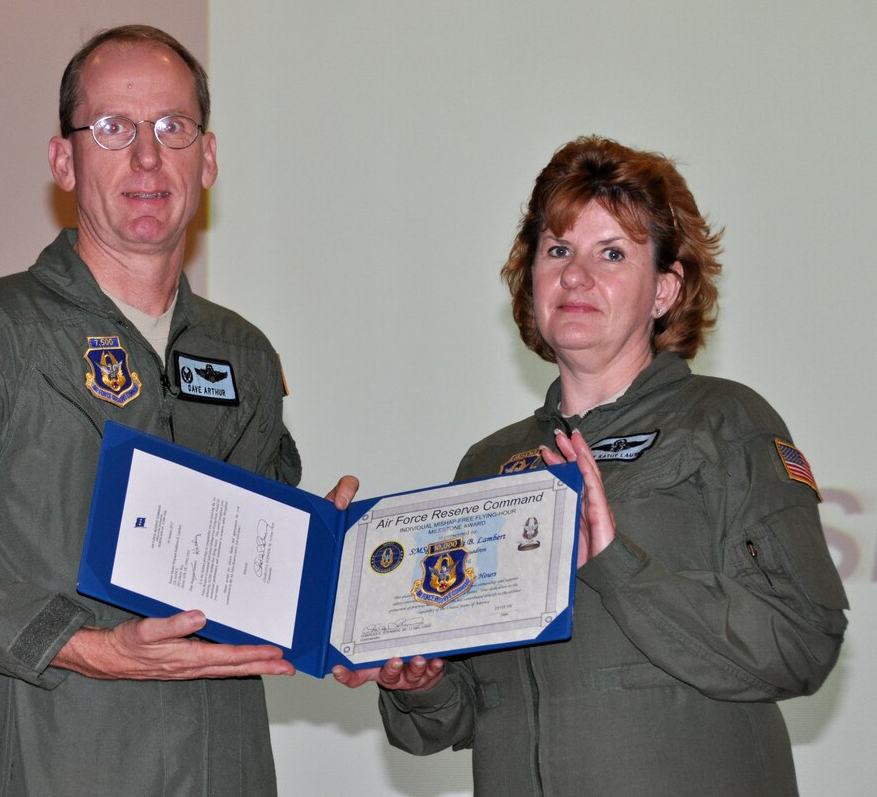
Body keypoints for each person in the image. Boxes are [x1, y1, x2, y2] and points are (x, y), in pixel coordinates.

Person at [0, 25, 356, 796]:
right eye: (113, 127)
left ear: (207, 159)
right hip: (63, 762)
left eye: (173, 128)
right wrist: (82, 644)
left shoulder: (244, 353)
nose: (147, 157)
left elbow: (252, 575)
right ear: (63, 160)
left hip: (229, 766)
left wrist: (336, 571)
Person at [333, 136, 848, 796]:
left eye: (611, 253)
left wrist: (615, 561)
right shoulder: (489, 464)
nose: (575, 277)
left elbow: (802, 643)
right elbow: (457, 715)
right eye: (558, 251)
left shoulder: (724, 422)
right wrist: (420, 683)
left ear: (665, 289)